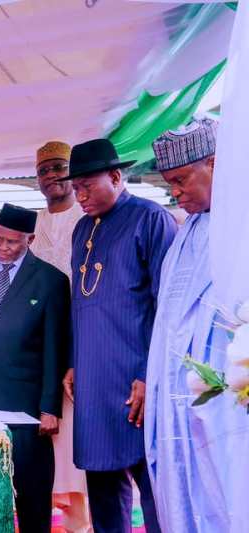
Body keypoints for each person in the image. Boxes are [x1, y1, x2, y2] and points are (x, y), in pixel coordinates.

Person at [61, 139, 176, 533]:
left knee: (154, 488)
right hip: (93, 379)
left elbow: (168, 306)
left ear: (115, 176)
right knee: (104, 488)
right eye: (75, 188)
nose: (80, 196)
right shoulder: (80, 229)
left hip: (135, 379)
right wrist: (75, 361)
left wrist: (150, 375)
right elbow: (81, 304)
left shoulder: (150, 218)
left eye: (87, 186)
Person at [145, 118, 249, 532]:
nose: (175, 191)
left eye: (182, 179)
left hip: (227, 406)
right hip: (177, 406)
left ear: (216, 162)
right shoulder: (185, 233)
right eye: (170, 182)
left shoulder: (240, 226)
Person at [0, 203, 69, 533]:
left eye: (13, 242)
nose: (4, 248)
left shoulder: (50, 280)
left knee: (32, 497)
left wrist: (49, 408)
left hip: (26, 410)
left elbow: (56, 347)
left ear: (30, 239)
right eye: (0, 240)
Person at [30, 141, 90, 533]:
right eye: (45, 170)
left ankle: (80, 524)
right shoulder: (33, 223)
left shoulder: (87, 217)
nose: (52, 175)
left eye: (58, 167)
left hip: (79, 341)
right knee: (46, 441)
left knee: (75, 442)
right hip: (38, 348)